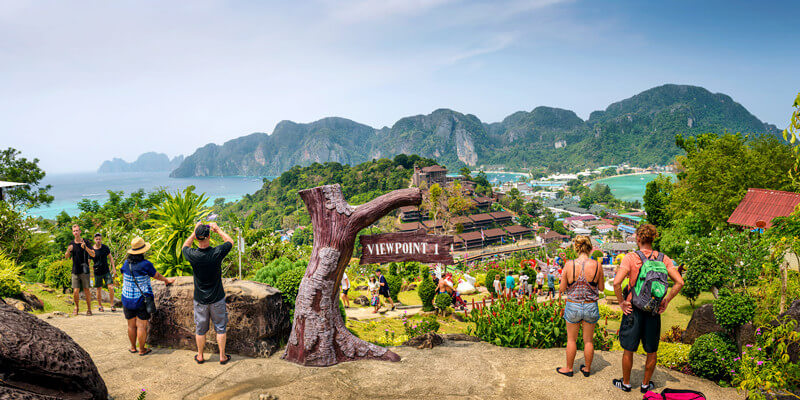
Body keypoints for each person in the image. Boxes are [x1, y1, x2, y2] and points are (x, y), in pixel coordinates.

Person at [612, 224, 684, 394]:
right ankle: (645, 385)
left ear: (638, 239)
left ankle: (627, 384)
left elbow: (616, 282)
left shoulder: (630, 258)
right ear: (653, 239)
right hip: (653, 310)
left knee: (628, 349)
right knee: (652, 350)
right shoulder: (664, 259)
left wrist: (622, 302)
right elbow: (680, 282)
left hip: (633, 310)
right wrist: (666, 301)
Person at [182, 222, 235, 365]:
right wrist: (218, 229)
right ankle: (222, 356)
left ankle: (200, 356)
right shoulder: (216, 253)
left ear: (198, 238)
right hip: (217, 297)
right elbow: (230, 241)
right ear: (209, 236)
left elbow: (184, 246)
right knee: (221, 328)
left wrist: (194, 232)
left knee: (200, 330)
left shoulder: (193, 255)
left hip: (200, 300)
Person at [556, 236, 603, 377]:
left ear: (576, 248)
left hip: (573, 305)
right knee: (588, 340)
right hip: (590, 306)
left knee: (571, 340)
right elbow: (601, 288)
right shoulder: (597, 265)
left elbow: (562, 289)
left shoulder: (569, 265)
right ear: (590, 248)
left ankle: (569, 369)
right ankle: (587, 369)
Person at [120, 237, 174, 356]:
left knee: (131, 325)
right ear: (142, 251)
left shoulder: (126, 263)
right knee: (141, 326)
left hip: (127, 298)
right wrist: (166, 280)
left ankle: (133, 347)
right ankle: (142, 350)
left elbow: (123, 273)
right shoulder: (145, 264)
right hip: (141, 300)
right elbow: (157, 275)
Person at [64, 224, 95, 316]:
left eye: (77, 230)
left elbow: (93, 254)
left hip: (84, 270)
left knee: (86, 290)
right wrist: (68, 251)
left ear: (80, 232)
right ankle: (76, 307)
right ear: (72, 233)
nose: (75, 232)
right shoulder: (71, 243)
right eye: (74, 231)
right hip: (75, 270)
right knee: (75, 291)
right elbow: (66, 256)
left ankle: (89, 309)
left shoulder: (86, 242)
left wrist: (85, 248)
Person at [90, 233, 116, 312]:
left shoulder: (105, 248)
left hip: (106, 271)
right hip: (97, 272)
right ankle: (100, 306)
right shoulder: (92, 250)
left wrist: (114, 269)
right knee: (99, 289)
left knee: (111, 287)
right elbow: (88, 261)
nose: (98, 240)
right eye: (96, 239)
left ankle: (112, 305)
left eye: (99, 239)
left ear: (101, 239)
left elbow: (111, 258)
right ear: (94, 240)